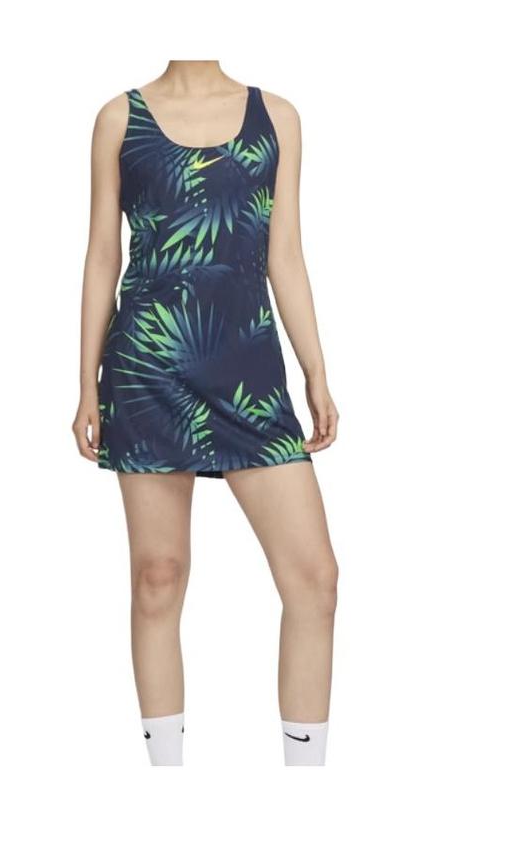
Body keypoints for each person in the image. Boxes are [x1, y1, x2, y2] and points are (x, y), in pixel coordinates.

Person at [73, 60, 339, 765]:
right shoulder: (119, 119)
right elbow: (102, 256)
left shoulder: (277, 118)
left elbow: (285, 254)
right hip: (148, 366)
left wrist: (315, 370)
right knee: (158, 576)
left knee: (314, 579)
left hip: (249, 370)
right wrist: (86, 383)